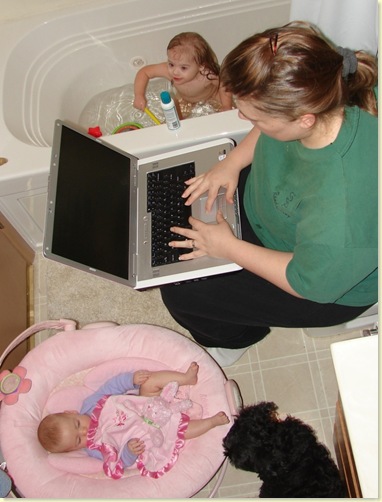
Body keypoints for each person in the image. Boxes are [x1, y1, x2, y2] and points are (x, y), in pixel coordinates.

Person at [159, 21, 378, 367]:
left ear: (304, 120)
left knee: (183, 293)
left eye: (255, 118)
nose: (242, 118)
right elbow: (268, 126)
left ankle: (238, 340)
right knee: (177, 214)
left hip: (319, 284)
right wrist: (230, 163)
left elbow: (308, 283)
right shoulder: (320, 88)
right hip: (278, 213)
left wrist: (228, 247)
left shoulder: (344, 212)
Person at [37, 363, 229, 478]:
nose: (84, 432)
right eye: (78, 440)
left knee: (149, 381)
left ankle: (186, 378)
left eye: (77, 425)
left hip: (143, 403)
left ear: (71, 412)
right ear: (75, 449)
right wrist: (129, 451)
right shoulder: (95, 449)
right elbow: (119, 462)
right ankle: (211, 422)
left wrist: (131, 380)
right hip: (149, 433)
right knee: (177, 432)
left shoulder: (91, 404)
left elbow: (111, 387)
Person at [133, 32, 233, 118]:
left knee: (229, 112)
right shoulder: (169, 71)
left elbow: (224, 84)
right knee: (173, 115)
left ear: (201, 67)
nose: (175, 72)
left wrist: (226, 105)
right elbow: (144, 72)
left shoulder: (207, 75)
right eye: (171, 64)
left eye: (183, 68)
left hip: (212, 97)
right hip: (185, 100)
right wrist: (139, 95)